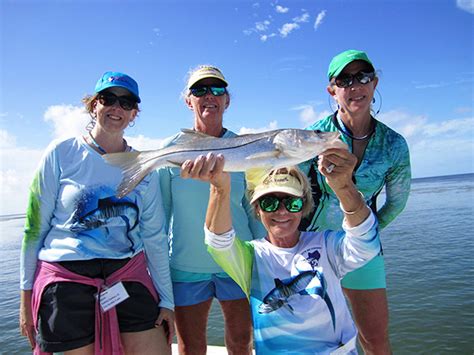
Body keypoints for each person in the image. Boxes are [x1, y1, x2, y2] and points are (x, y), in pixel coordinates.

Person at [19, 71, 174, 354]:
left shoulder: (143, 166)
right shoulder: (61, 153)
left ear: (134, 114)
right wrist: (25, 297)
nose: (117, 107)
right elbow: (34, 229)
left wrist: (167, 301)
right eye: (108, 99)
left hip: (126, 275)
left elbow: (154, 236)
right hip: (66, 278)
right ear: (94, 105)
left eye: (127, 103)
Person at [179, 149, 381, 354]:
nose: (282, 211)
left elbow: (365, 244)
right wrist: (220, 188)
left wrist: (344, 186)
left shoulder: (326, 244)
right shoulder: (251, 257)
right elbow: (217, 241)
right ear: (257, 209)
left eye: (292, 203)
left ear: (304, 207)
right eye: (270, 203)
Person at [300, 49, 411, 354]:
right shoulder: (312, 137)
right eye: (344, 79)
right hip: (314, 248)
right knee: (315, 340)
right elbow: (292, 191)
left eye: (362, 77)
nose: (355, 85)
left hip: (364, 250)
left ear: (374, 84)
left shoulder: (394, 144)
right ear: (332, 90)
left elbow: (396, 202)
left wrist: (367, 233)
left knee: (374, 338)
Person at [158, 65, 265, 354]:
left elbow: (253, 209)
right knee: (191, 346)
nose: (209, 96)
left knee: (242, 341)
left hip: (237, 261)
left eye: (217, 89)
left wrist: (263, 260)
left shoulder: (244, 146)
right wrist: (158, 275)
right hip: (186, 266)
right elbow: (160, 219)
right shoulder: (170, 151)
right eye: (199, 90)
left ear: (227, 100)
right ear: (188, 100)